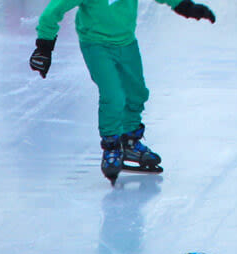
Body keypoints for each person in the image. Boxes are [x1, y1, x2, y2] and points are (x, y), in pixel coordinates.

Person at [27, 0, 216, 183]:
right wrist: (44, 47)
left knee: (137, 93)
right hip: (96, 44)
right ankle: (111, 145)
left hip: (126, 43)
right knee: (113, 95)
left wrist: (186, 6)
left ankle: (130, 142)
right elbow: (53, 10)